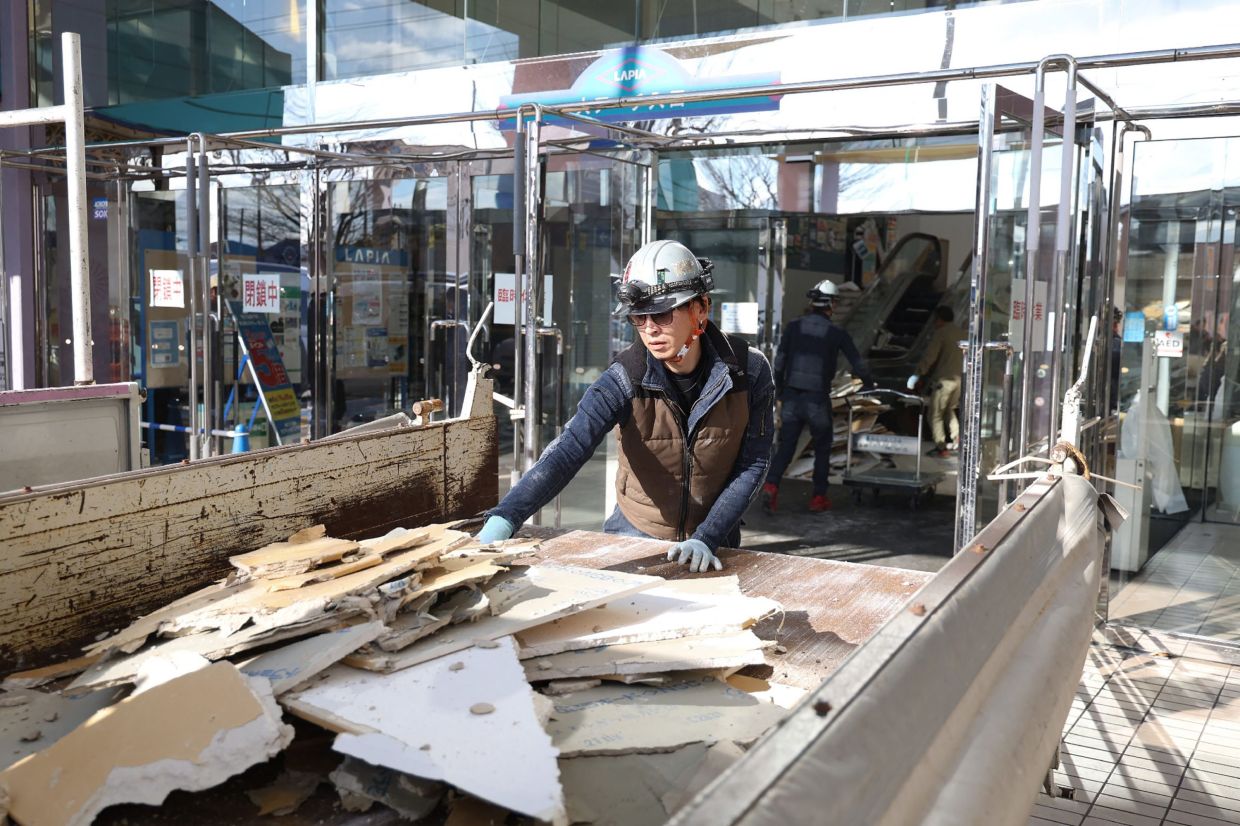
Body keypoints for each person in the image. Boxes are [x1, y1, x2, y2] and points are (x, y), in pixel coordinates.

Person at [474, 239, 776, 573]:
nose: (650, 330)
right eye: (639, 317)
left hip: (714, 540)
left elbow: (754, 462)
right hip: (635, 534)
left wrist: (708, 536)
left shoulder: (749, 371)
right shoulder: (624, 377)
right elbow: (569, 448)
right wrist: (505, 517)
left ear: (700, 308)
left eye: (661, 314)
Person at [762, 280, 875, 514]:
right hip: (817, 400)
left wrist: (780, 392)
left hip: (792, 397)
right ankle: (818, 497)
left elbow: (780, 361)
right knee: (823, 446)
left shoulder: (794, 327)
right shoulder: (836, 333)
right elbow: (857, 361)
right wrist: (869, 383)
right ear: (831, 304)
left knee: (786, 447)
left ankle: (771, 485)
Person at [907, 305, 967, 458]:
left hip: (945, 381)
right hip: (960, 380)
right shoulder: (962, 333)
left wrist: (918, 374)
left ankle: (941, 447)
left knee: (934, 414)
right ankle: (957, 438)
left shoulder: (941, 333)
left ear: (939, 319)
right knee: (950, 410)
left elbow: (930, 357)